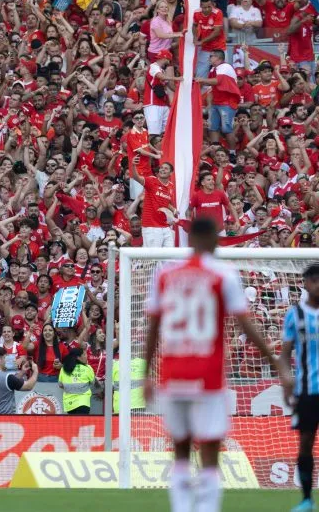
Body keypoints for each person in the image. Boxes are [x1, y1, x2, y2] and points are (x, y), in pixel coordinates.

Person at [143, 217, 292, 512]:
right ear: (211, 238)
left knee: (181, 449)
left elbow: (153, 326)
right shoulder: (222, 274)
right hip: (207, 375)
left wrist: (147, 373)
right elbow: (245, 325)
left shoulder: (165, 275)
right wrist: (277, 364)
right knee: (210, 449)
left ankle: (182, 508)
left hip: (173, 374)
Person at [280, 264, 319, 512]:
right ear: (305, 283)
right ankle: (306, 499)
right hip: (307, 391)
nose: (318, 284)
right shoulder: (294, 314)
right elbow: (284, 355)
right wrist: (286, 381)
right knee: (305, 442)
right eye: (313, 280)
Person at [0, 345, 37, 414]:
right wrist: (35, 370)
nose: (5, 361)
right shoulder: (7, 377)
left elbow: (8, 383)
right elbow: (29, 386)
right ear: (0, 359)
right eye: (4, 358)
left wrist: (22, 372)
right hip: (7, 419)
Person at [58, 346, 96, 415]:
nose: (86, 356)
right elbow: (93, 382)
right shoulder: (87, 368)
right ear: (78, 357)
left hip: (69, 404)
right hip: (83, 403)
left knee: (73, 425)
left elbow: (60, 385)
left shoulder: (64, 369)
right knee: (82, 425)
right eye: (84, 354)